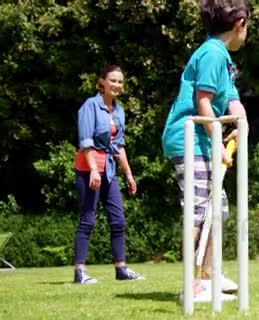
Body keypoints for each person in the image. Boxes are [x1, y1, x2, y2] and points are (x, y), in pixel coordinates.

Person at [161, 0, 249, 303]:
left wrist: (242, 123)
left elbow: (232, 100)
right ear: (239, 24)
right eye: (247, 26)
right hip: (189, 140)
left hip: (202, 139)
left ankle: (210, 274)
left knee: (217, 209)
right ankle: (192, 283)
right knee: (198, 211)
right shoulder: (212, 53)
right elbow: (203, 103)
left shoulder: (222, 58)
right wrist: (218, 144)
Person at [73, 65, 144, 284]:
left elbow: (119, 146)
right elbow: (86, 141)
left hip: (109, 171)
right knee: (88, 219)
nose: (116, 85)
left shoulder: (119, 110)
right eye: (112, 80)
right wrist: (93, 169)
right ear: (102, 82)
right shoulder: (90, 106)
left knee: (118, 220)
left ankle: (121, 269)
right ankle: (79, 272)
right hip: (89, 169)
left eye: (120, 82)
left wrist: (129, 175)